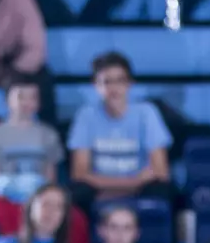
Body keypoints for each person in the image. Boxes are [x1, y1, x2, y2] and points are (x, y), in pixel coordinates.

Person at [68, 52, 173, 206]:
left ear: (130, 83)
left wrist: (121, 187)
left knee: (164, 191)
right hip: (109, 187)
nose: (114, 88)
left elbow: (161, 172)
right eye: (106, 82)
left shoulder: (146, 112)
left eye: (120, 80)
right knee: (77, 193)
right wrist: (133, 183)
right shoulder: (86, 115)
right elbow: (79, 174)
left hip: (134, 188)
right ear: (95, 85)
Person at [0, 78, 62, 216]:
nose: (27, 103)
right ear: (7, 100)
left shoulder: (48, 135)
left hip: (39, 203)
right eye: (21, 97)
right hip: (3, 203)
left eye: (32, 98)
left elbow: (50, 179)